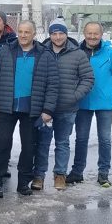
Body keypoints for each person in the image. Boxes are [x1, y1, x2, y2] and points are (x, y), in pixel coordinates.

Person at [0, 20, 58, 198]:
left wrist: (48, 109)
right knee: (2, 143)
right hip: (7, 107)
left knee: (28, 146)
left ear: (34, 34)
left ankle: (23, 183)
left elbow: (53, 85)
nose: (23, 35)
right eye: (21, 31)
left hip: (32, 109)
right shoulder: (6, 51)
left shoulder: (44, 55)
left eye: (27, 32)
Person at [35, 20, 93, 191]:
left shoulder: (77, 54)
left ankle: (60, 175)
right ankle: (38, 175)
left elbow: (88, 78)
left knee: (62, 143)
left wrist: (74, 96)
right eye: (54, 34)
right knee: (42, 144)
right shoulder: (41, 52)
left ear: (66, 34)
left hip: (67, 108)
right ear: (50, 35)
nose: (58, 37)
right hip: (45, 108)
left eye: (61, 33)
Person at [71, 21, 112, 188]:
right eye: (89, 33)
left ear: (101, 35)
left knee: (104, 139)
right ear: (84, 34)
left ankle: (103, 173)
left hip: (105, 104)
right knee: (81, 138)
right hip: (83, 102)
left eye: (96, 33)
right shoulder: (77, 52)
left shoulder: (111, 53)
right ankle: (77, 172)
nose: (92, 37)